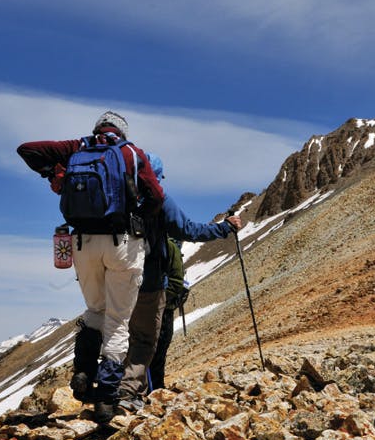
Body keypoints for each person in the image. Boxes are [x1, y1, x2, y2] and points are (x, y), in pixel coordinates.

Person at [16, 111, 164, 423]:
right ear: (121, 132)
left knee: (94, 310)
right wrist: (137, 210)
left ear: (97, 129)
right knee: (118, 321)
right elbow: (156, 195)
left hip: (82, 243)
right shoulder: (131, 153)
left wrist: (54, 176)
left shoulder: (77, 148)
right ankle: (107, 397)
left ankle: (83, 371)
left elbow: (27, 149)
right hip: (122, 243)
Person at [117, 153, 241, 411]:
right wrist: (225, 228)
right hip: (149, 283)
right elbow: (189, 230)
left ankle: (111, 386)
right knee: (147, 342)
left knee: (118, 336)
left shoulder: (115, 198)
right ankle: (135, 394)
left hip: (114, 278)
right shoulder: (159, 200)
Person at [147, 236, 188, 394]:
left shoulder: (153, 242)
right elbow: (177, 282)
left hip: (145, 304)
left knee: (147, 347)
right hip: (164, 308)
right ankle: (156, 387)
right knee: (160, 347)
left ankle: (146, 385)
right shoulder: (172, 246)